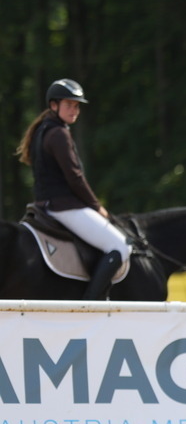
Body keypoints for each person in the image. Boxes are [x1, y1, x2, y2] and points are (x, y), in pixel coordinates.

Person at [15, 78, 131, 300]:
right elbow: (75, 178)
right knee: (121, 246)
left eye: (77, 105)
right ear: (53, 105)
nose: (74, 110)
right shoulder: (58, 133)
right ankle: (90, 304)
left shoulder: (43, 130)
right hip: (64, 206)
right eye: (69, 105)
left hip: (44, 204)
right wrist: (97, 207)